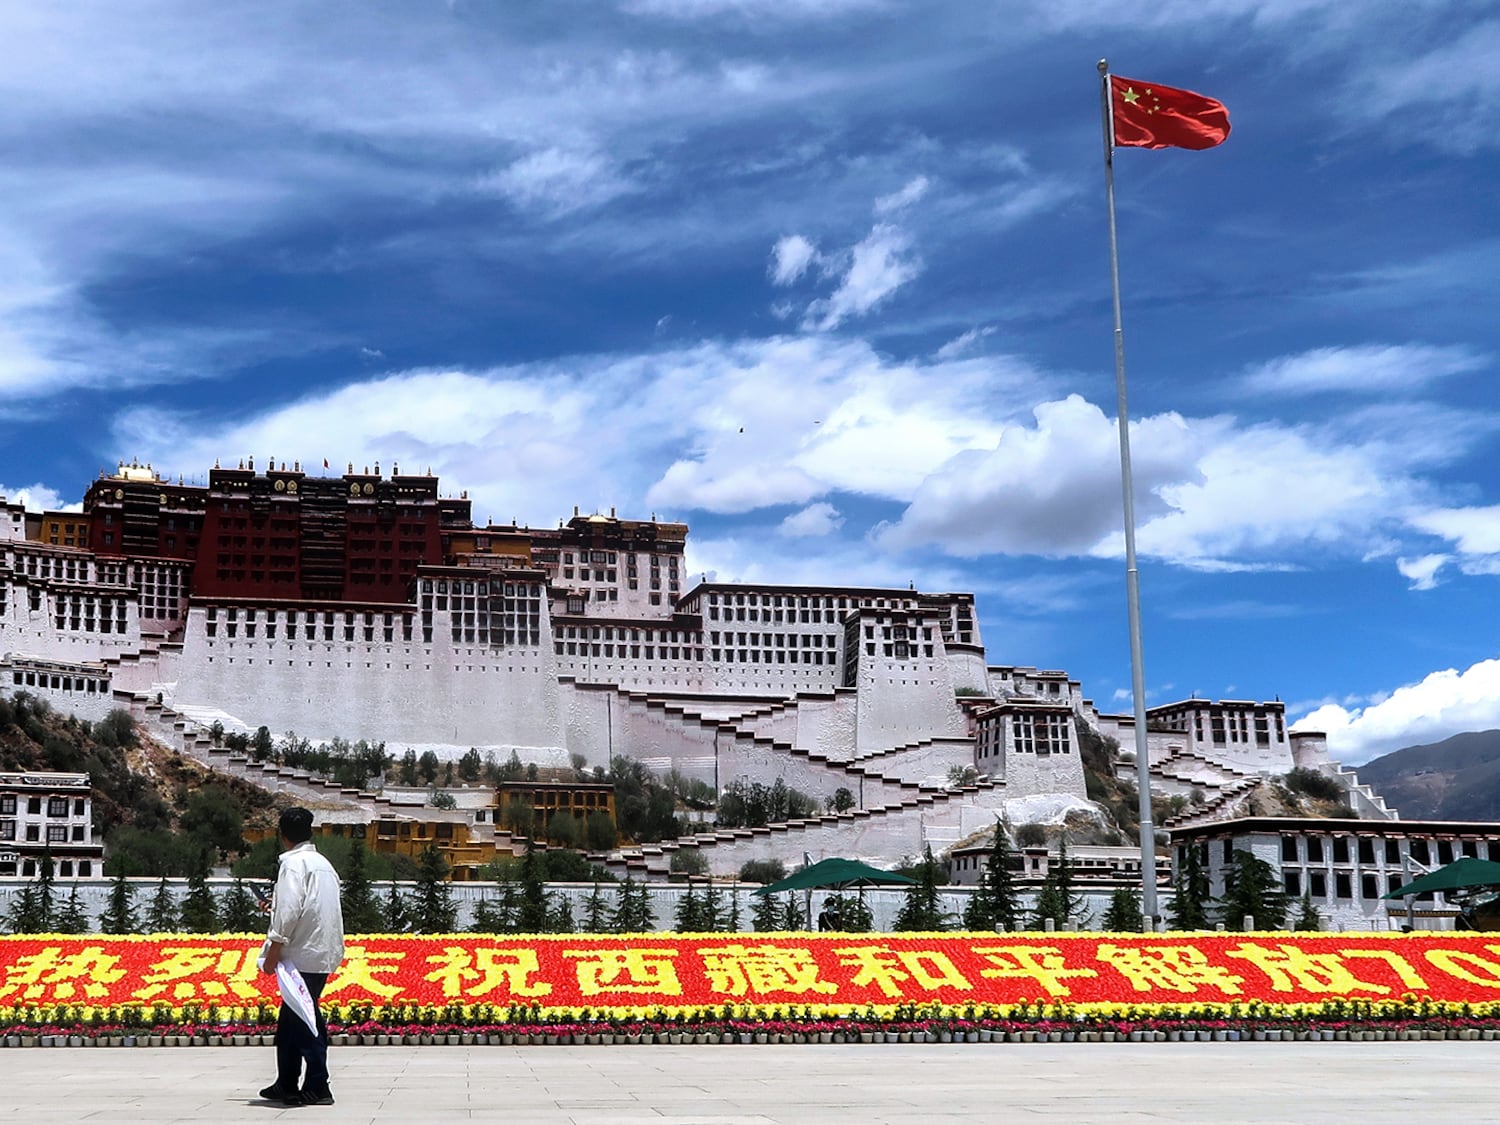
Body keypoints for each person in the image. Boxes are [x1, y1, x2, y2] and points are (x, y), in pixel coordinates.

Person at [258, 807, 345, 1107]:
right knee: (291, 1021)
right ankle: (287, 1081)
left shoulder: (293, 865)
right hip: (321, 953)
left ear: (282, 836)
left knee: (305, 1021)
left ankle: (319, 1085)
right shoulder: (323, 864)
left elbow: (290, 911)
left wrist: (274, 949)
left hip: (300, 956)